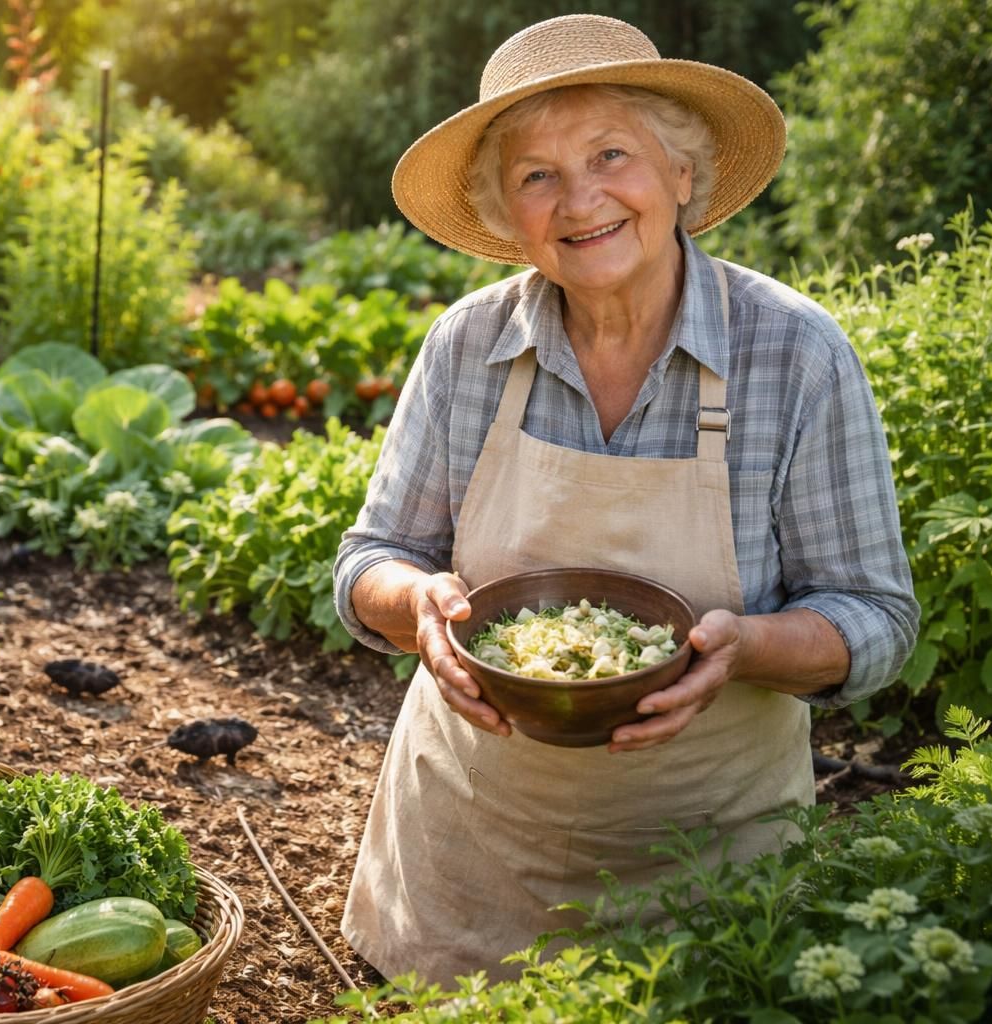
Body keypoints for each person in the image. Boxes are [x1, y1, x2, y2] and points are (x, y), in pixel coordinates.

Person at [333, 14, 920, 985]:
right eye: (537, 175)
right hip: (469, 867)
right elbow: (370, 559)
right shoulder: (467, 346)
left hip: (708, 874)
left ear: (682, 172)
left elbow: (877, 616)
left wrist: (745, 647)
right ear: (508, 213)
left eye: (612, 154)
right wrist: (417, 605)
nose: (581, 200)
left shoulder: (794, 355)